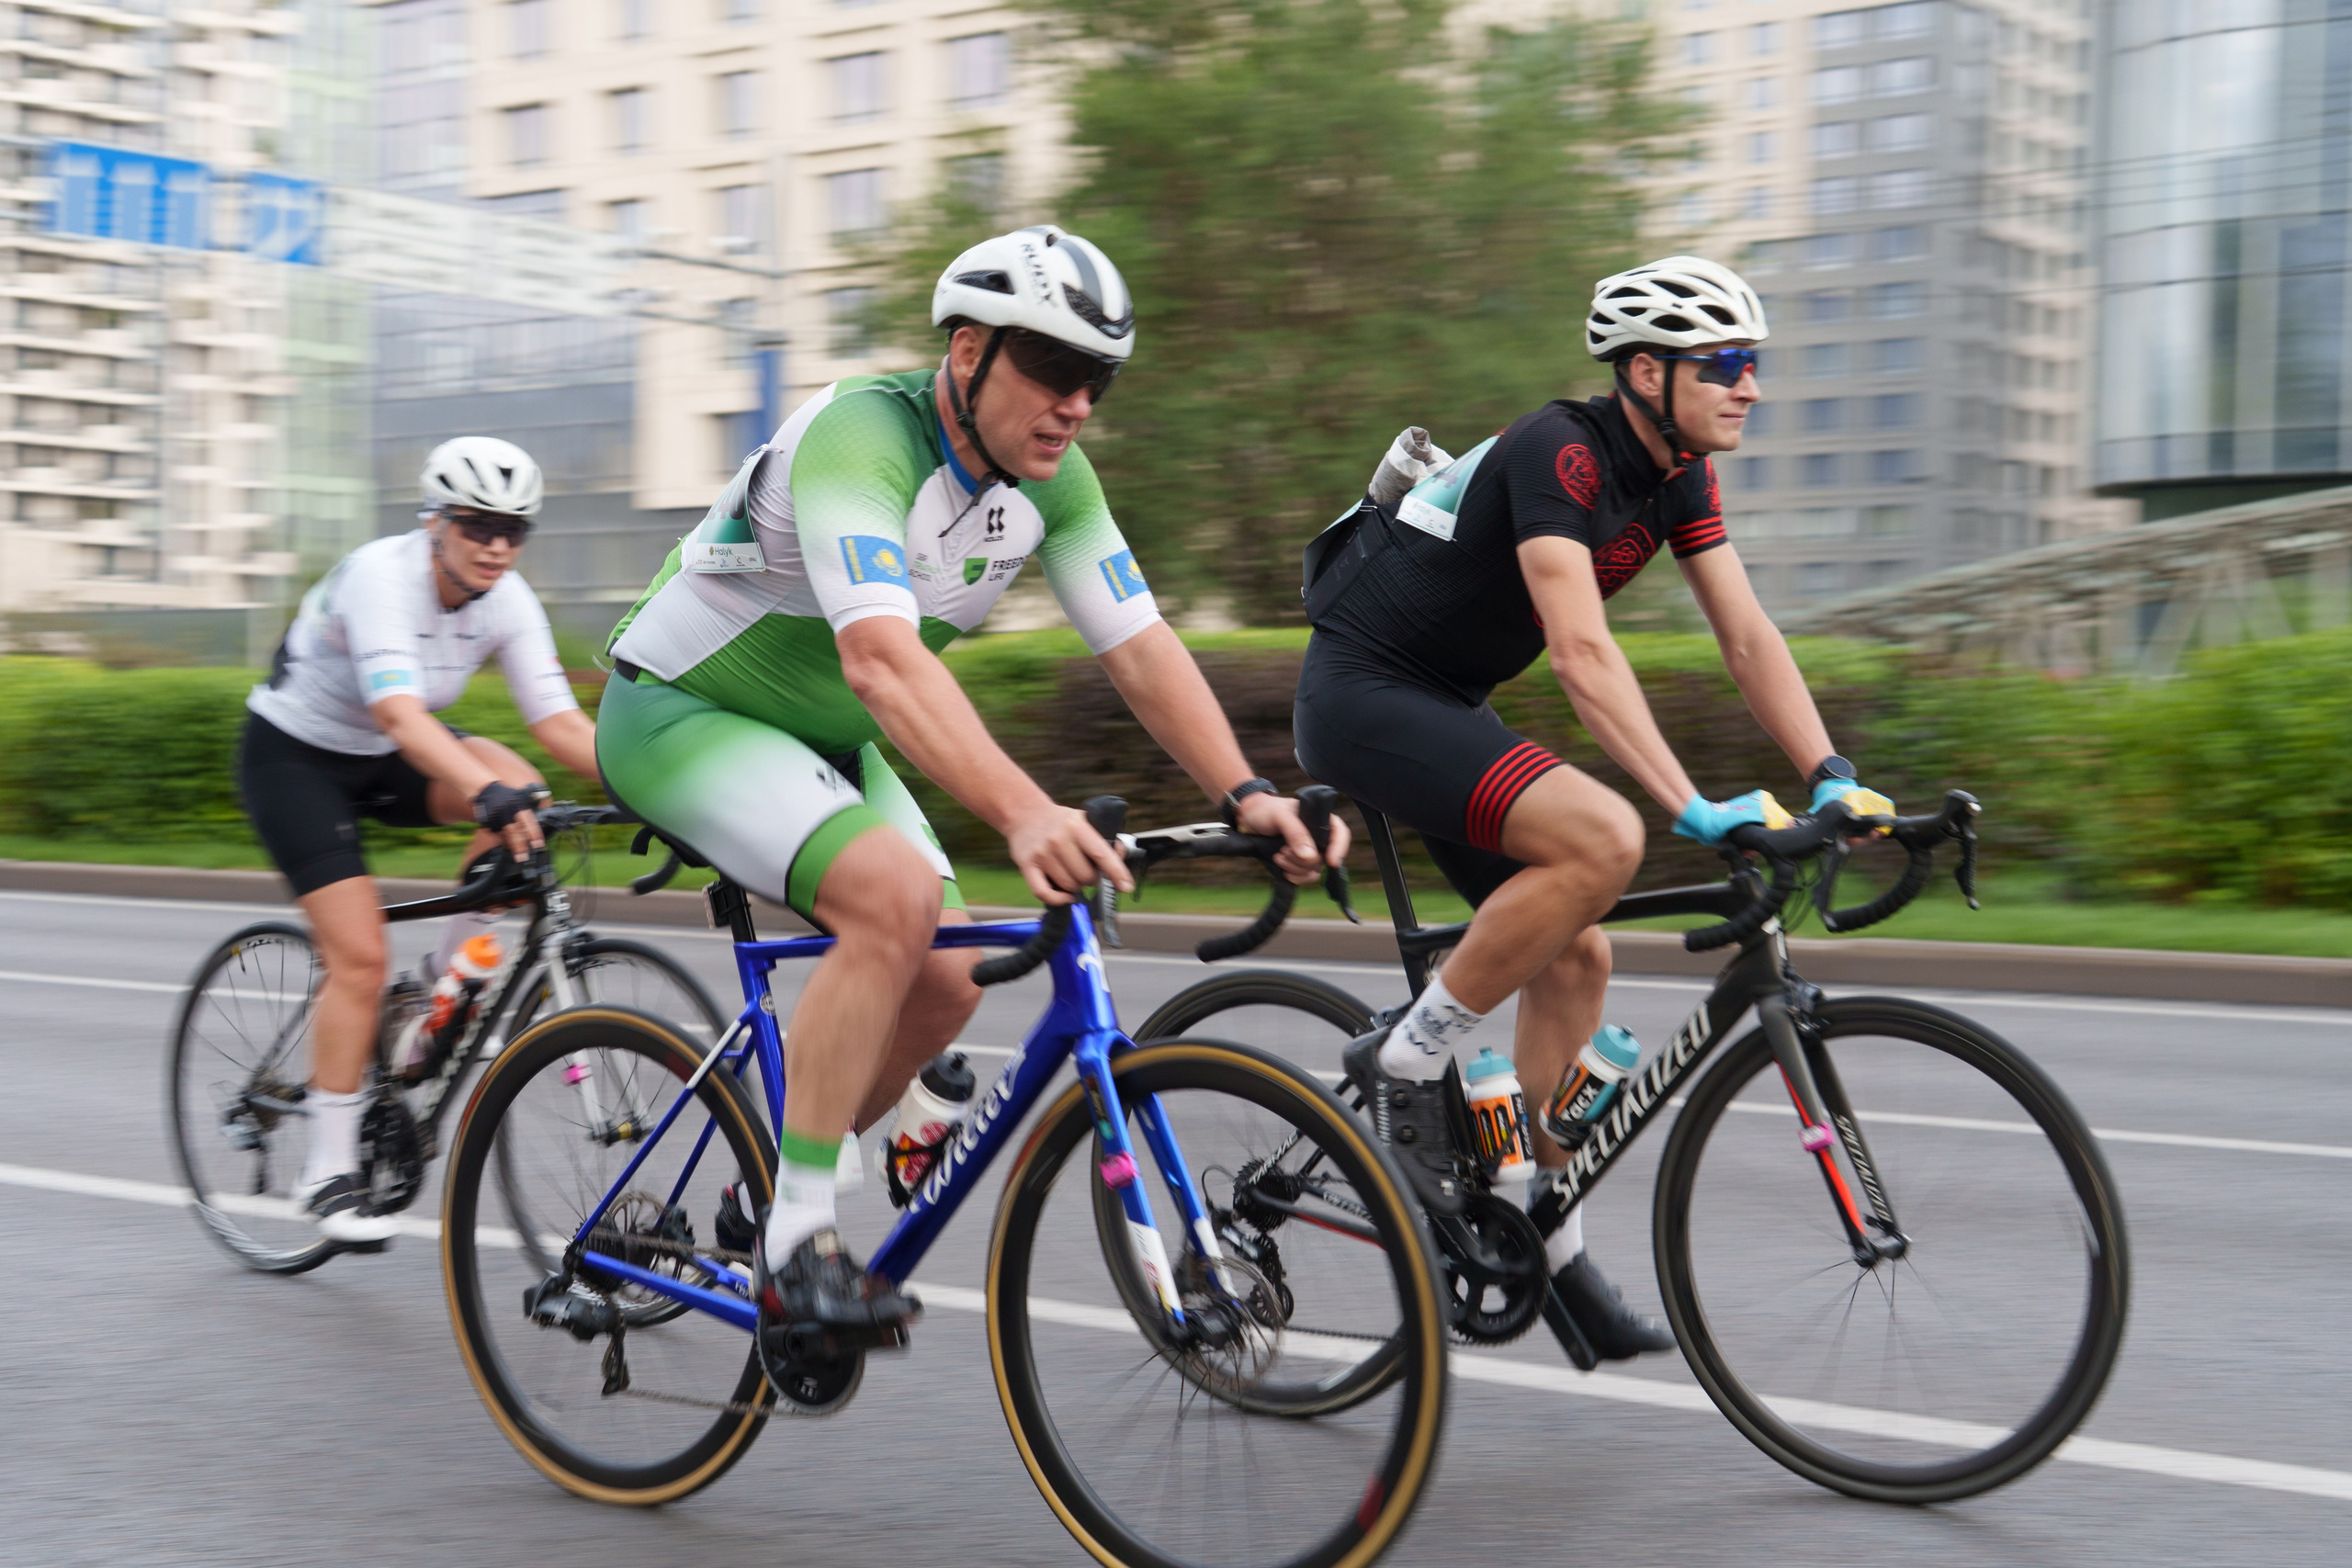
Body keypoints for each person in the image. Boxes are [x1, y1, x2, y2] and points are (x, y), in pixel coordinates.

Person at [598, 223, 1345, 1340]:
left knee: (947, 980)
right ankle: (798, 1239)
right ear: (967, 354)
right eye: (1052, 369)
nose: (1076, 402)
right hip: (681, 713)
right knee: (895, 901)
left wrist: (1249, 792)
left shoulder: (1054, 487)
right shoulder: (863, 436)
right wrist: (1027, 813)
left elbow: (1140, 651)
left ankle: (765, 1193)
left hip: (826, 744)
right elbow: (880, 661)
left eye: (1095, 379)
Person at [1294, 255, 1892, 1359]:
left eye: (1751, 364)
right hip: (1365, 696)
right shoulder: (1558, 453)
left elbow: (1747, 637)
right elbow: (1577, 649)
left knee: (1578, 963)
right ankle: (1408, 1061)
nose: (1749, 385)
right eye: (1725, 364)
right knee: (1607, 838)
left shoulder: (1679, 479)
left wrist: (1827, 769)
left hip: (1446, 703)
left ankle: (1532, 1242)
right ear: (1648, 372)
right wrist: (1687, 805)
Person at [242, 437, 599, 1246]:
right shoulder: (382, 578)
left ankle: (439, 988)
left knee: (524, 795)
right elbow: (401, 714)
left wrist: (654, 784)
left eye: (515, 530)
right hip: (297, 757)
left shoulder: (507, 598)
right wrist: (484, 791)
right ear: (435, 521)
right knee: (359, 957)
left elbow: (561, 724)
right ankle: (327, 1171)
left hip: (388, 754)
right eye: (478, 525)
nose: (497, 546)